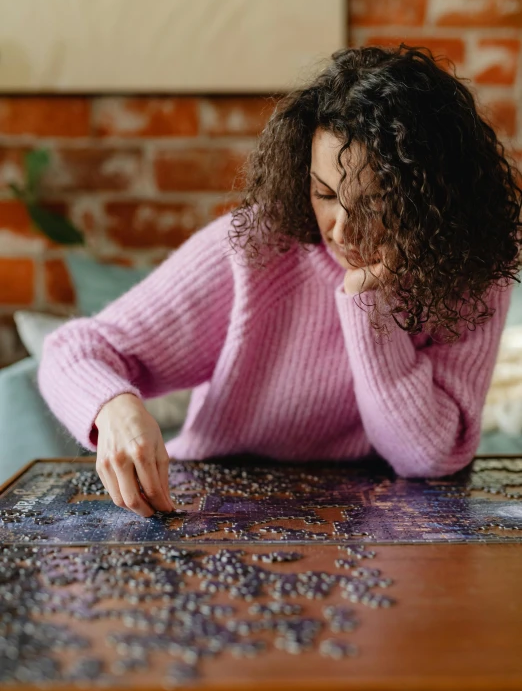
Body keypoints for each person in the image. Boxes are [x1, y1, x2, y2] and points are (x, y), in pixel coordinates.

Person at [38, 45, 522, 518]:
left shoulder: (474, 266)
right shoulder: (257, 247)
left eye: (375, 202)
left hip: (387, 523)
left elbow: (429, 458)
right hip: (212, 508)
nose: (343, 229)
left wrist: (367, 301)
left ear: (434, 196)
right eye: (325, 193)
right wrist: (117, 410)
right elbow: (74, 350)